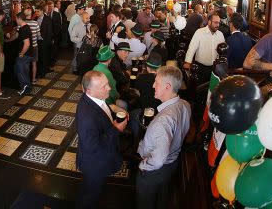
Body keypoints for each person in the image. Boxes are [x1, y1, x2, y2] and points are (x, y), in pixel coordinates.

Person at [136, 66, 190, 209]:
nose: (153, 85)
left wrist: (143, 167)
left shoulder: (162, 121)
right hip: (172, 164)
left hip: (154, 172)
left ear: (167, 86)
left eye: (156, 82)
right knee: (161, 198)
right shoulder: (185, 104)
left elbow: (158, 160)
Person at [76, 70, 128, 209]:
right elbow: (91, 146)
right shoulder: (87, 117)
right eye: (104, 87)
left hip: (102, 156)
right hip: (95, 164)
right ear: (89, 91)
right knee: (90, 196)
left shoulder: (94, 99)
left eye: (107, 84)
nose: (109, 88)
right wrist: (116, 130)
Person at [184, 14, 225, 83]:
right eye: (215, 22)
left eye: (219, 23)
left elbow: (223, 51)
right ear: (209, 22)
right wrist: (188, 62)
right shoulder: (199, 32)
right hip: (201, 68)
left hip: (215, 68)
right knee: (201, 89)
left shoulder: (220, 34)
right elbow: (192, 48)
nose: (217, 25)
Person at [92, 45, 124, 110]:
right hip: (106, 101)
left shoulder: (95, 68)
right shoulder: (107, 73)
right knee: (124, 105)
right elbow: (112, 92)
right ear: (109, 59)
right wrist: (118, 96)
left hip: (96, 98)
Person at [14, 13, 34, 95]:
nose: (15, 20)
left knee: (21, 72)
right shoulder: (24, 28)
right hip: (28, 54)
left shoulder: (24, 29)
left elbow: (27, 44)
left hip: (25, 54)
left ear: (19, 19)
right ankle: (27, 89)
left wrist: (22, 53)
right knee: (23, 71)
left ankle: (25, 89)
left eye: (16, 19)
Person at [24, 7, 40, 83]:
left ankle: (26, 80)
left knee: (26, 64)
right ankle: (33, 79)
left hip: (25, 47)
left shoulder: (23, 23)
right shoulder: (35, 23)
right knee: (34, 63)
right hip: (34, 46)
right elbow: (38, 35)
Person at [37, 3, 53, 78]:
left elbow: (49, 31)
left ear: (42, 11)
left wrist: (48, 41)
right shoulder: (35, 19)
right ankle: (40, 71)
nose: (37, 13)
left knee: (44, 56)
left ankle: (43, 72)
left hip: (45, 41)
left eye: (38, 12)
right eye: (36, 11)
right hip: (37, 41)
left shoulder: (47, 19)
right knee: (39, 57)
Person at [47, 0, 62, 66]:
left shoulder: (57, 14)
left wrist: (54, 36)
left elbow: (59, 26)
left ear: (54, 6)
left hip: (55, 35)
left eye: (52, 6)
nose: (50, 8)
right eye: (49, 6)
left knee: (54, 48)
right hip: (47, 35)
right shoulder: (45, 14)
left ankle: (53, 61)